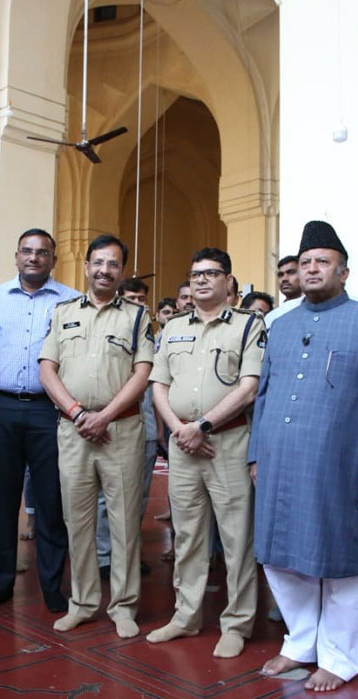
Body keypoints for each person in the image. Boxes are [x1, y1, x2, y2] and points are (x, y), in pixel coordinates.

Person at [251, 220, 358, 692]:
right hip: (279, 461)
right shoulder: (280, 326)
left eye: (322, 263)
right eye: (305, 263)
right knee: (280, 556)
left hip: (340, 467)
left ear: (343, 272)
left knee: (341, 560)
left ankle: (339, 657)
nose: (312, 269)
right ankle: (300, 642)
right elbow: (264, 395)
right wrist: (256, 454)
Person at [146, 247, 265, 659]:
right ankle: (186, 615)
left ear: (229, 282)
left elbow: (249, 386)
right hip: (182, 445)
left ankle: (237, 623)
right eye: (195, 273)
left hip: (227, 442)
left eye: (211, 273)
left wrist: (204, 426)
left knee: (236, 538)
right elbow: (158, 383)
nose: (200, 280)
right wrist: (181, 429)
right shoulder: (174, 326)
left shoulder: (250, 325)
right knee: (188, 535)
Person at [0, 228, 80, 613]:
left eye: (42, 252)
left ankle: (51, 586)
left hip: (50, 411)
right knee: (3, 499)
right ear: (16, 256)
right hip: (0, 409)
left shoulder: (71, 301)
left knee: (49, 501)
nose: (34, 258)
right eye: (27, 251)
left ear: (53, 260)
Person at [38, 235, 153, 638]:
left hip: (120, 430)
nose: (105, 270)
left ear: (122, 272)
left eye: (114, 264)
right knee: (78, 520)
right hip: (73, 431)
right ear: (86, 267)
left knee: (123, 522)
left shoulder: (138, 317)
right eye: (98, 263)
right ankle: (83, 603)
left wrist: (104, 415)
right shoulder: (62, 312)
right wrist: (77, 412)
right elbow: (47, 368)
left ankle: (123, 606)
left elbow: (142, 374)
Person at [93, 277, 157, 583]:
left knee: (136, 498)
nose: (137, 303)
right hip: (111, 423)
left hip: (145, 427)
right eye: (131, 297)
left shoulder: (150, 335)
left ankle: (129, 555)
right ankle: (105, 556)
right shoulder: (107, 330)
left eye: (142, 298)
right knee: (107, 499)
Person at [265, 255, 303, 325]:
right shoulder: (271, 317)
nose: (284, 279)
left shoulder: (316, 310)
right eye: (280, 275)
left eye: (291, 272)